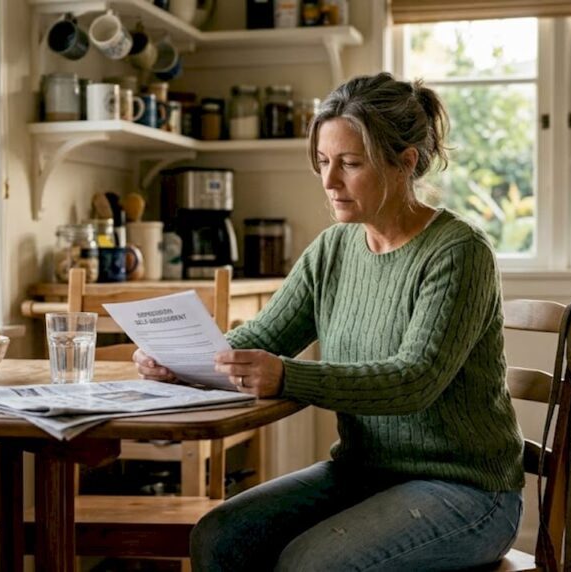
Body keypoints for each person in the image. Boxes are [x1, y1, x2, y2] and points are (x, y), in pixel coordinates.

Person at [134, 72, 525, 571]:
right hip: (362, 473)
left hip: (468, 492)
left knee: (313, 565)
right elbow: (263, 337)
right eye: (322, 162)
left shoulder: (458, 251)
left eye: (350, 164)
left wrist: (287, 375)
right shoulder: (332, 250)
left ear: (404, 163)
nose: (329, 181)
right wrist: (183, 361)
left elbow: (414, 381)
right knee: (219, 538)